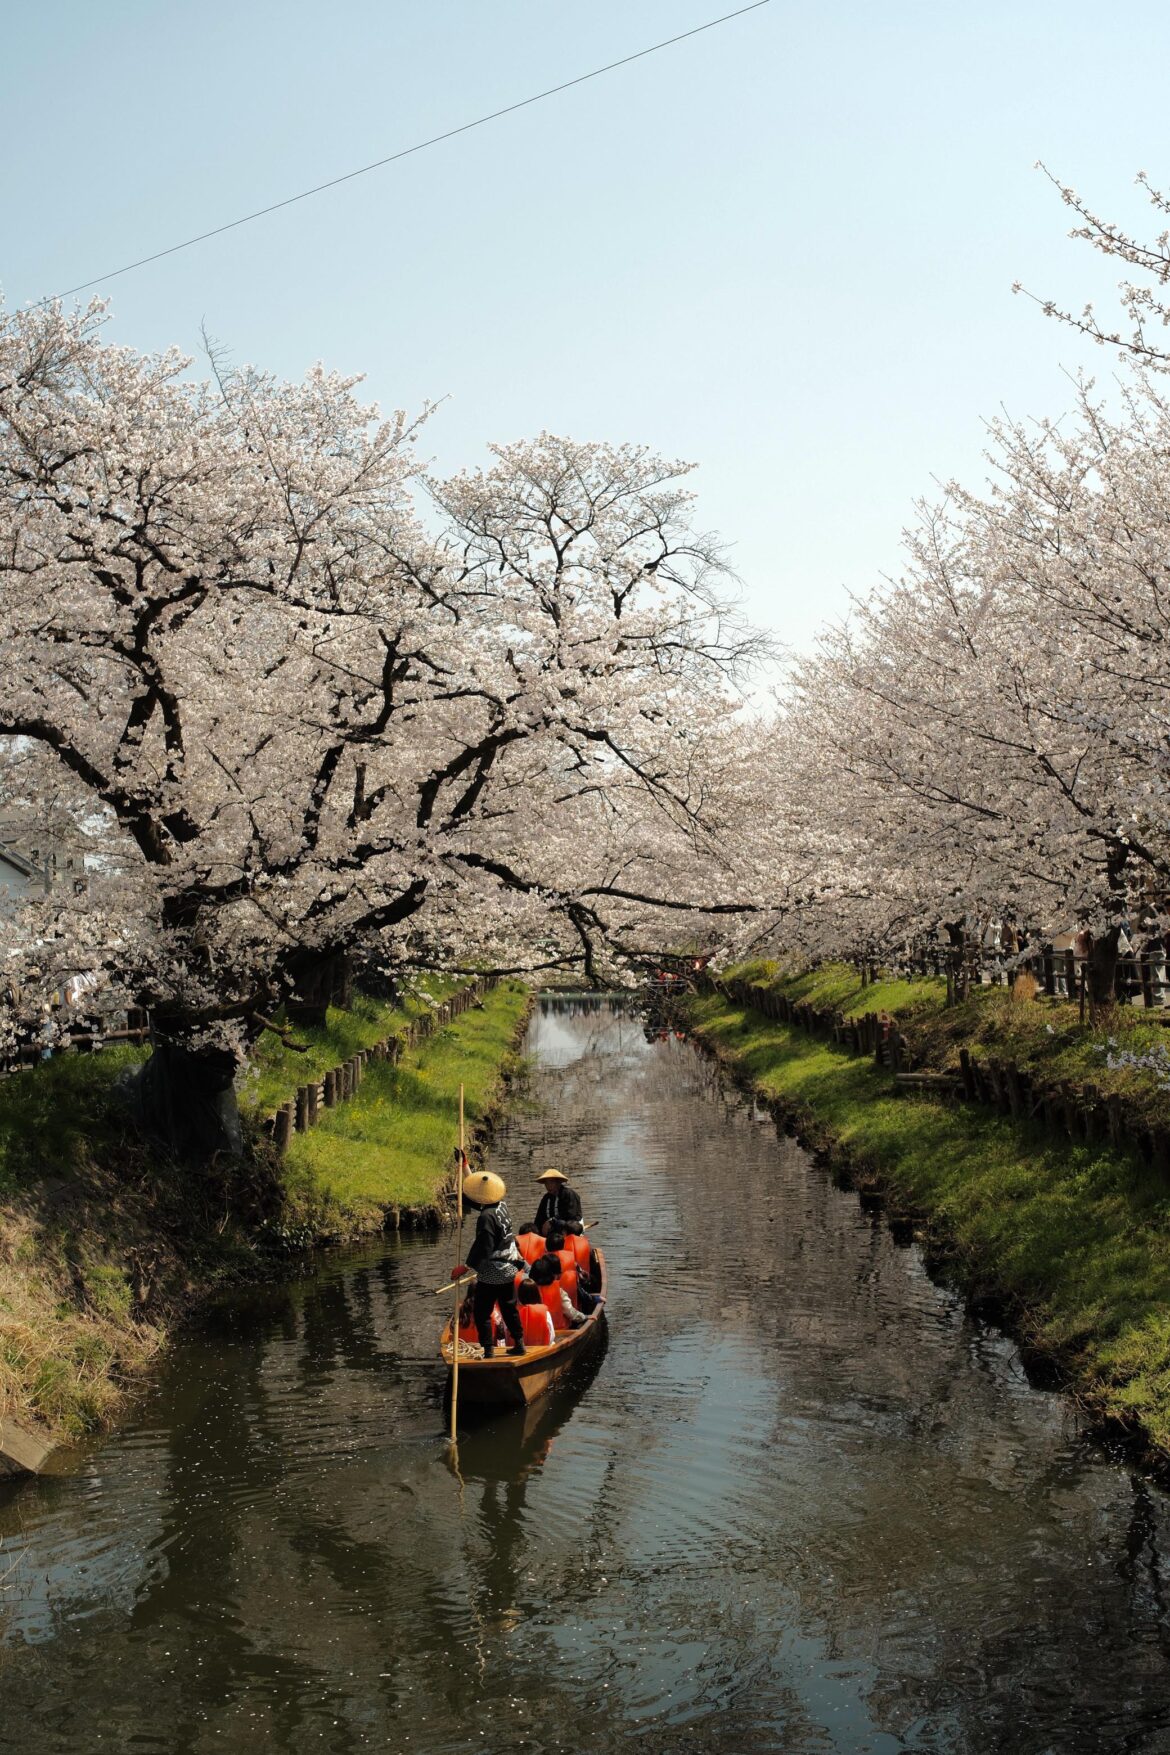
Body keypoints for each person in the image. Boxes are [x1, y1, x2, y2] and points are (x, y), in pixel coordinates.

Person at [452, 1169, 526, 1358]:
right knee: (509, 1307)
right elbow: (477, 1195)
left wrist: (465, 1267)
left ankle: (488, 1349)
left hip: (494, 1270)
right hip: (509, 1267)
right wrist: (465, 1167)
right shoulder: (501, 1205)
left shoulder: (486, 1217)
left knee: (482, 1311)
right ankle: (519, 1342)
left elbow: (484, 1246)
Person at [529, 1250, 588, 1331]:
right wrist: (584, 1317)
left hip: (533, 1331)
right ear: (550, 1275)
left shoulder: (527, 1288)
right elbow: (570, 1313)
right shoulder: (559, 1292)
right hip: (559, 1331)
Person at [533, 1167, 584, 1237]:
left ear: (558, 1182)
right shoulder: (546, 1198)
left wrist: (552, 1221)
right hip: (551, 1229)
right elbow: (539, 1218)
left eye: (551, 1182)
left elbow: (571, 1215)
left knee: (562, 1223)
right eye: (546, 1183)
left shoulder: (569, 1194)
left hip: (570, 1228)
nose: (548, 1186)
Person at [516, 1278, 556, 1347]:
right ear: (537, 1294)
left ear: (519, 1295)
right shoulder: (545, 1313)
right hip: (542, 1350)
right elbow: (551, 1336)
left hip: (519, 1353)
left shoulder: (512, 1313)